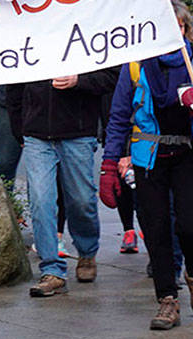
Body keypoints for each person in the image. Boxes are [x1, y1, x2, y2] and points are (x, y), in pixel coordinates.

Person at [101, 0, 193, 330]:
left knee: (192, 225)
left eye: (177, 26)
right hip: (149, 158)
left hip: (188, 155)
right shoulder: (135, 66)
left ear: (185, 29)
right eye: (163, 26)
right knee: (156, 230)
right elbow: (119, 117)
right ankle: (167, 299)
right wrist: (109, 164)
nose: (171, 32)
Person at [7, 67, 118, 296]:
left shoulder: (84, 44)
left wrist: (79, 80)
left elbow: (112, 76)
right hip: (37, 134)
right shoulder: (30, 46)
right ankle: (52, 270)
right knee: (40, 201)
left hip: (78, 132)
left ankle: (87, 251)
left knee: (82, 200)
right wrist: (20, 128)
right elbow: (14, 82)